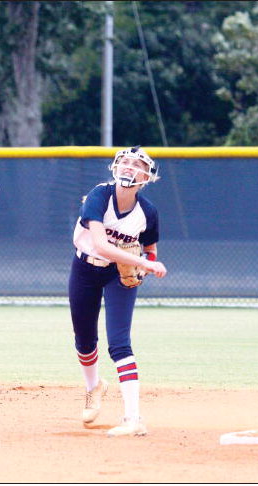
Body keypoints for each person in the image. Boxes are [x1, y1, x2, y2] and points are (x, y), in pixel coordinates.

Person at [68, 146, 167, 437]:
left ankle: (133, 418)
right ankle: (94, 387)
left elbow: (150, 250)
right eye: (124, 162)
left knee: (119, 343)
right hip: (85, 267)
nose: (128, 167)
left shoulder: (147, 212)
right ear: (114, 167)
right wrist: (141, 262)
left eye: (137, 164)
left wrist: (144, 266)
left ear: (147, 177)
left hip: (118, 275)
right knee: (84, 340)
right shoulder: (100, 194)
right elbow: (99, 244)